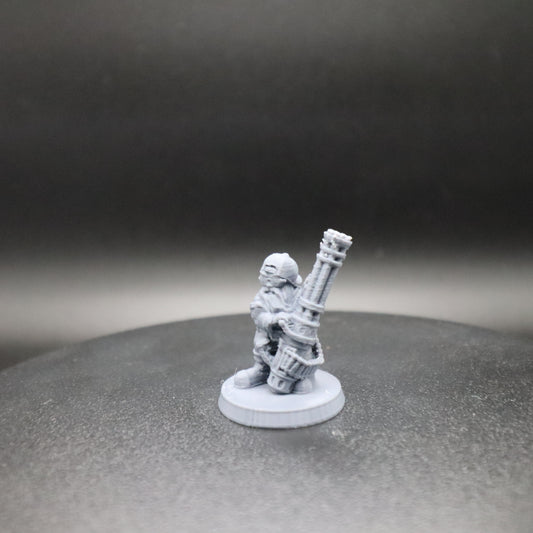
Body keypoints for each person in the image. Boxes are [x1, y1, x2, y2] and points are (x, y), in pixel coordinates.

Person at [234, 252, 302, 389]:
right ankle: (262, 369)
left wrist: (294, 319)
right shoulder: (263, 294)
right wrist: (273, 319)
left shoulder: (299, 293)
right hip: (270, 332)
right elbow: (258, 312)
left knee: (299, 350)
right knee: (262, 344)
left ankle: (299, 376)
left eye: (270, 276)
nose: (265, 279)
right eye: (264, 274)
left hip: (293, 336)